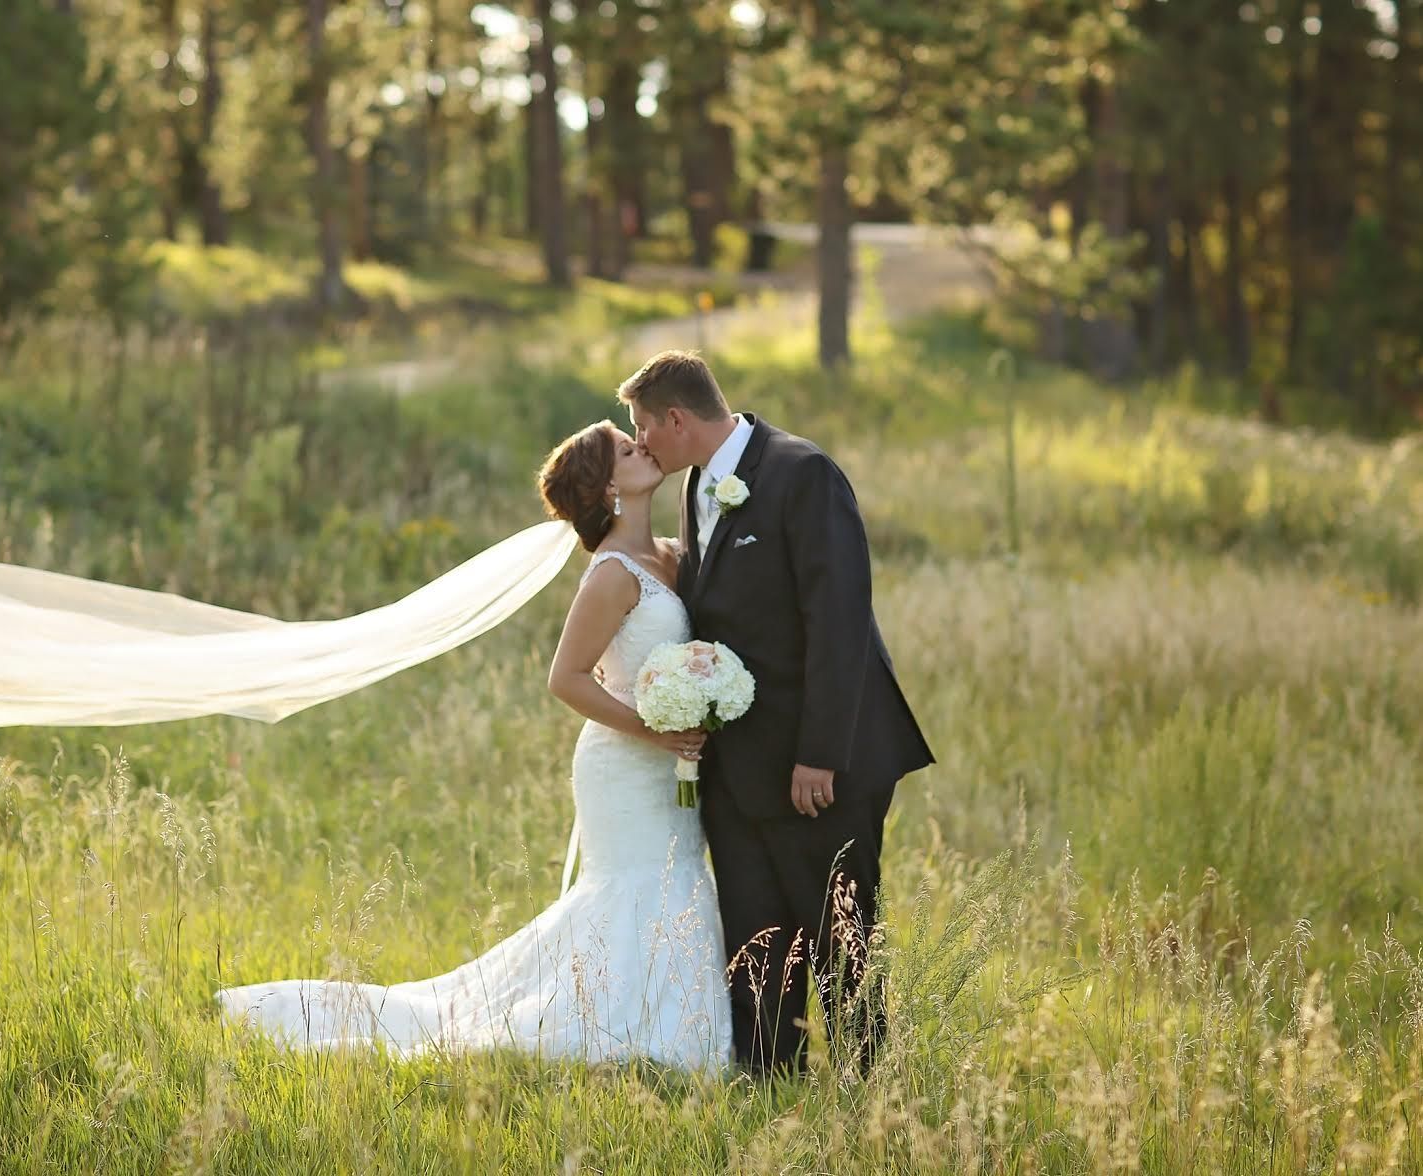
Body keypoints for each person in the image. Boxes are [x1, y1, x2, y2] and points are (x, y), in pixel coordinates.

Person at [216, 421, 733, 1071]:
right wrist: (655, 729)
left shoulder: (669, 554)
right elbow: (564, 678)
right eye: (628, 450)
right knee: (634, 887)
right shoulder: (611, 575)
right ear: (608, 486)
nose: (643, 446)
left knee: (677, 876)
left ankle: (676, 1019)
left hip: (669, 759)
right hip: (625, 763)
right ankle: (624, 1024)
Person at [622, 350, 934, 1077]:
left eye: (643, 428)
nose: (640, 445)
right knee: (756, 938)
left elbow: (838, 618)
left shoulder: (803, 474)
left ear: (677, 418)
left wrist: (819, 753)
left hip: (821, 761)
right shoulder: (696, 481)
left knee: (839, 939)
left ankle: (869, 1094)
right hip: (741, 765)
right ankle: (769, 1084)